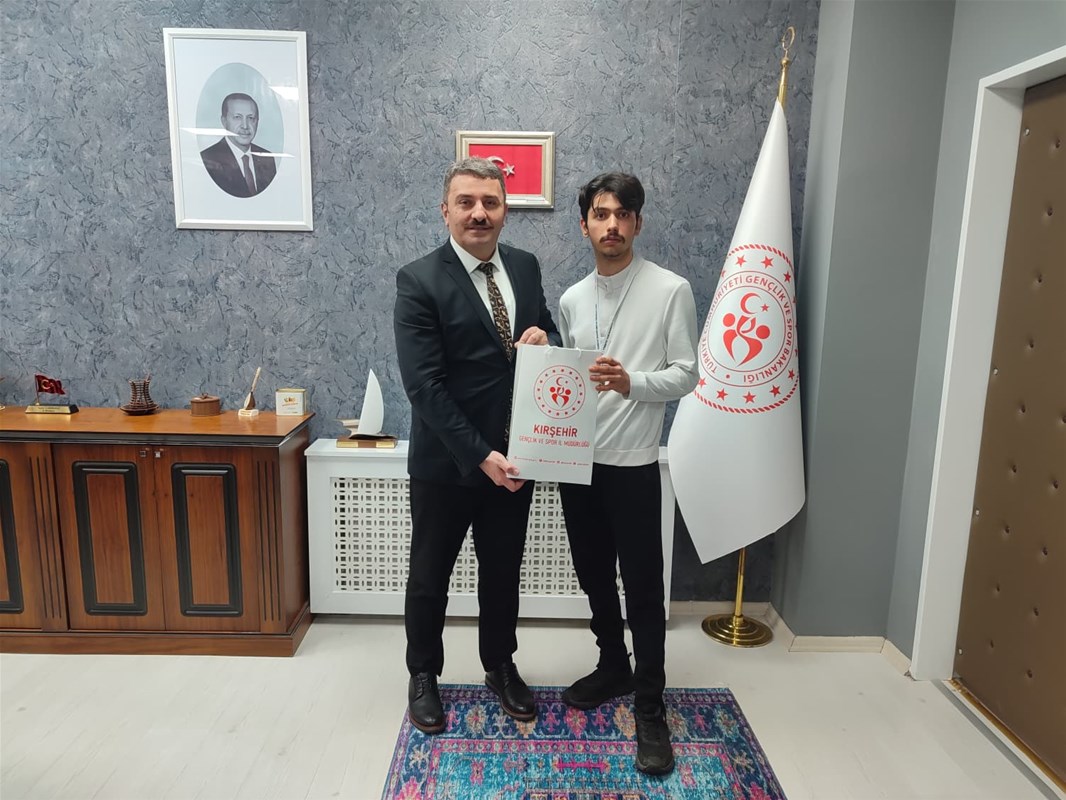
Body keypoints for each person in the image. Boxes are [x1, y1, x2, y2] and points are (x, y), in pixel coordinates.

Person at [393, 157, 560, 734]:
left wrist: (545, 336)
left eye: (490, 202)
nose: (479, 213)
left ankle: (500, 666)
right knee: (429, 576)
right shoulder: (419, 280)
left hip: (516, 459)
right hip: (447, 463)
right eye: (466, 202)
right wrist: (480, 455)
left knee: (502, 572)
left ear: (505, 210)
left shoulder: (526, 266)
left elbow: (547, 332)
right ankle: (423, 674)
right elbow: (424, 387)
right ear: (446, 211)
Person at [557, 172, 698, 775]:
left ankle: (649, 704)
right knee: (593, 578)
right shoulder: (571, 299)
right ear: (584, 224)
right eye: (600, 214)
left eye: (622, 214)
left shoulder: (670, 289)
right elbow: (567, 382)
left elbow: (688, 373)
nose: (611, 224)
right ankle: (613, 665)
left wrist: (631, 382)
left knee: (641, 590)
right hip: (577, 466)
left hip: (634, 466)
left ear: (637, 223)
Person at [200, 93, 277, 198]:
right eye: (237, 117)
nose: (245, 126)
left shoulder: (267, 158)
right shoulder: (207, 159)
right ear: (224, 121)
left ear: (257, 122)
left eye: (251, 118)